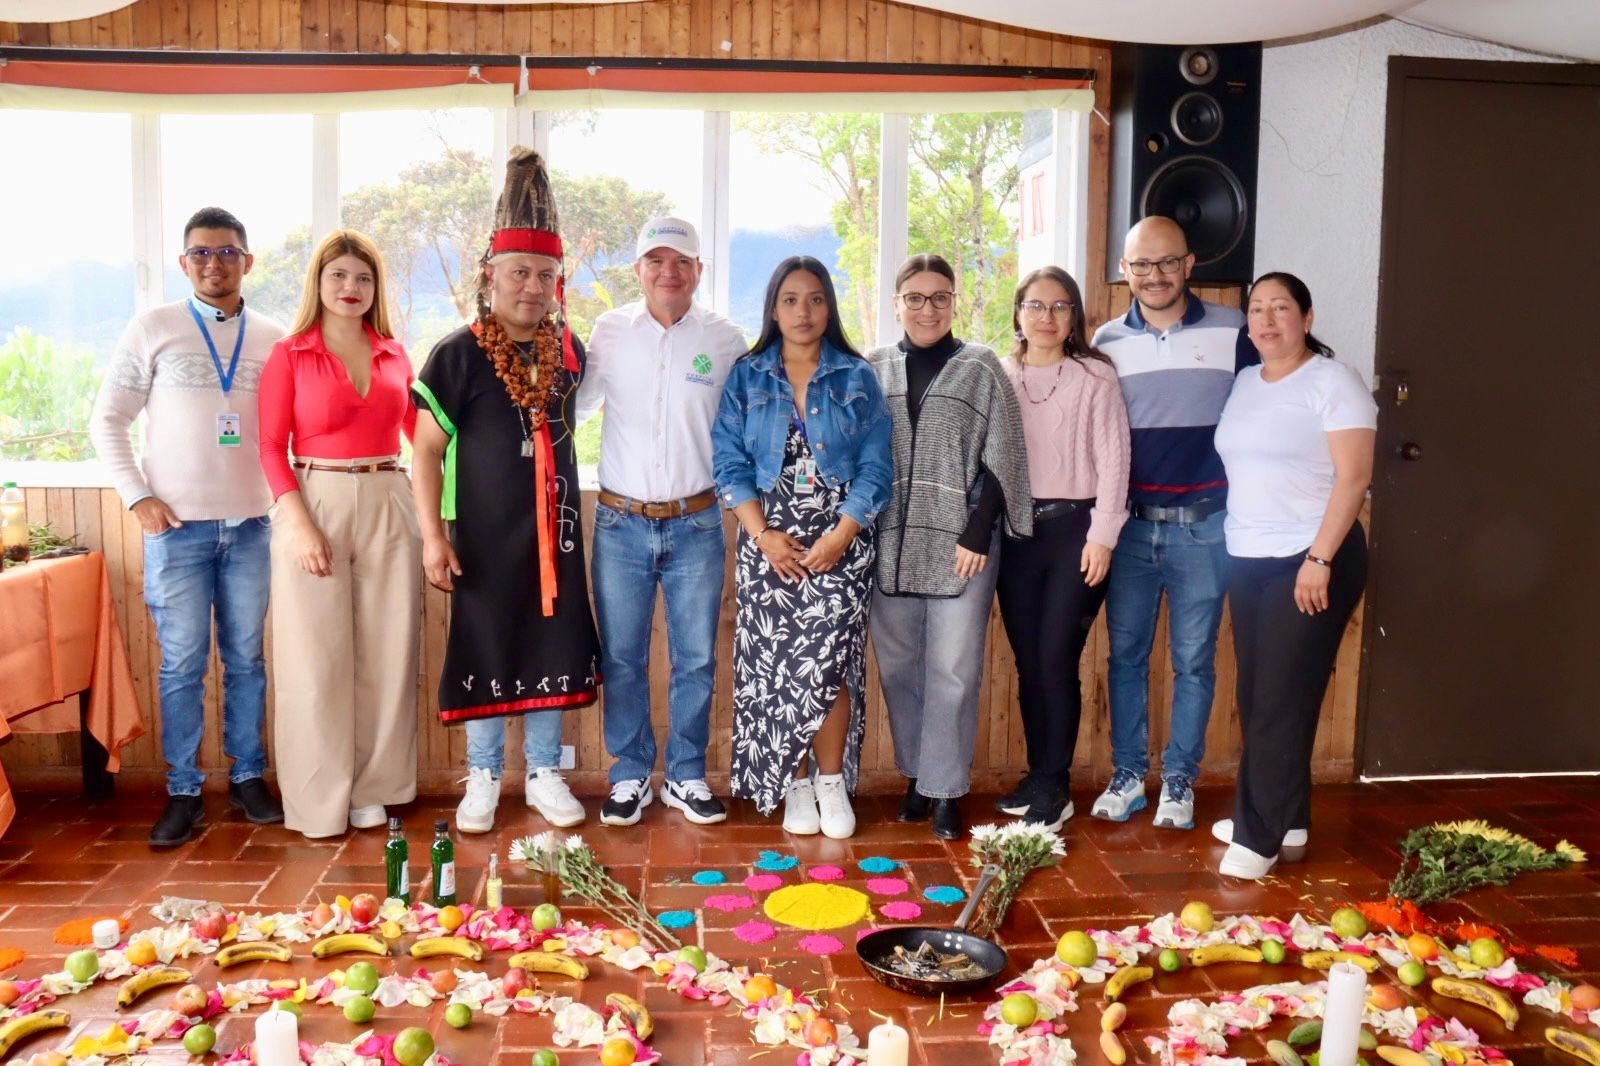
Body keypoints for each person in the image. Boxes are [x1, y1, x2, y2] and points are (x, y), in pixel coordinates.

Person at [412, 148, 599, 834]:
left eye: (545, 275)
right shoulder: (456, 354)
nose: (532, 286)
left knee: (551, 639)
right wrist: (433, 536)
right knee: (487, 642)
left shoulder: (569, 352)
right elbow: (425, 452)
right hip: (482, 536)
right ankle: (484, 776)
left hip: (557, 531)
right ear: (490, 276)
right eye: (519, 272)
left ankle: (546, 771)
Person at [90, 206, 287, 846]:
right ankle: (183, 791)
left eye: (227, 252)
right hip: (175, 532)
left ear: (247, 262)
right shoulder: (153, 328)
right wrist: (137, 496)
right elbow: (106, 421)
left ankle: (249, 778)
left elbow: (288, 429)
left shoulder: (274, 337)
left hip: (253, 526)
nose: (213, 263)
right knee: (179, 666)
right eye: (201, 253)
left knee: (247, 662)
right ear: (184, 263)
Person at [711, 257, 892, 839]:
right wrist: (761, 535)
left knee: (828, 662)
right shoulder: (747, 375)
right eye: (790, 300)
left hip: (840, 539)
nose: (803, 312)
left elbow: (876, 465)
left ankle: (831, 782)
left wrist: (843, 532)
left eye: (815, 299)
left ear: (829, 307)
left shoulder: (855, 376)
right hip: (768, 539)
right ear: (772, 308)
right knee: (778, 669)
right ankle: (794, 785)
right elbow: (729, 462)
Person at [577, 218, 747, 828]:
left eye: (682, 261)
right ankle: (629, 775)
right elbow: (573, 409)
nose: (668, 272)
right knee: (621, 656)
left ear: (700, 270)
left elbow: (748, 426)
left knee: (696, 658)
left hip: (698, 522)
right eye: (656, 260)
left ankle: (685, 776)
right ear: (638, 269)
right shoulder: (609, 331)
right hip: (619, 522)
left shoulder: (726, 340)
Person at [1089, 215, 1258, 831]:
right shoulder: (1105, 341)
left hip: (1206, 529)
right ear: (1124, 271)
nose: (1154, 276)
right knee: (1126, 659)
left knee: (1194, 661)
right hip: (1131, 530)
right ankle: (1130, 775)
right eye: (1141, 264)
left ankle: (1179, 781)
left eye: (1166, 263)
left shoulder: (1235, 329)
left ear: (1190, 265)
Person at [257, 229, 421, 839]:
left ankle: (374, 789)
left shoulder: (394, 354)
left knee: (388, 651)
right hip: (314, 499)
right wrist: (298, 523)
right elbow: (271, 446)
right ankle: (318, 800)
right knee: (314, 660)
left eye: (363, 278)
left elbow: (423, 441)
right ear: (319, 285)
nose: (350, 288)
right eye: (338, 277)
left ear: (375, 288)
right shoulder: (289, 354)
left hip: (388, 496)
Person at [1212, 272, 1374, 879]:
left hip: (1311, 559)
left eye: (1281, 308)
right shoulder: (1247, 382)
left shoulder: (1335, 382)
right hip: (1248, 557)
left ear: (1307, 317)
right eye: (1257, 309)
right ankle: (1290, 821)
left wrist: (1320, 558)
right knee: (1263, 695)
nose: (1267, 320)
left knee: (1280, 698)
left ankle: (1257, 839)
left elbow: (1354, 478)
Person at [868, 253, 1032, 840]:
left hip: (964, 542)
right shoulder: (874, 367)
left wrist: (976, 529)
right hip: (889, 541)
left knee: (954, 669)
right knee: (900, 666)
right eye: (915, 297)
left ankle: (946, 790)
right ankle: (917, 775)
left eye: (940, 297)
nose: (927, 308)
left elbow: (1004, 454)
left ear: (954, 303)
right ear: (897, 303)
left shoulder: (982, 367)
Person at [995, 266, 1130, 831]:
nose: (1046, 317)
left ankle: (1057, 782)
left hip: (1077, 534)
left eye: (1059, 307)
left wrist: (1103, 535)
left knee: (1056, 659)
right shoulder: (999, 375)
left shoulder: (1095, 377)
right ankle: (1037, 772)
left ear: (1074, 317)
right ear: (1019, 314)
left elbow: (1116, 460)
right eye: (1035, 305)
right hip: (1017, 536)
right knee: (1030, 664)